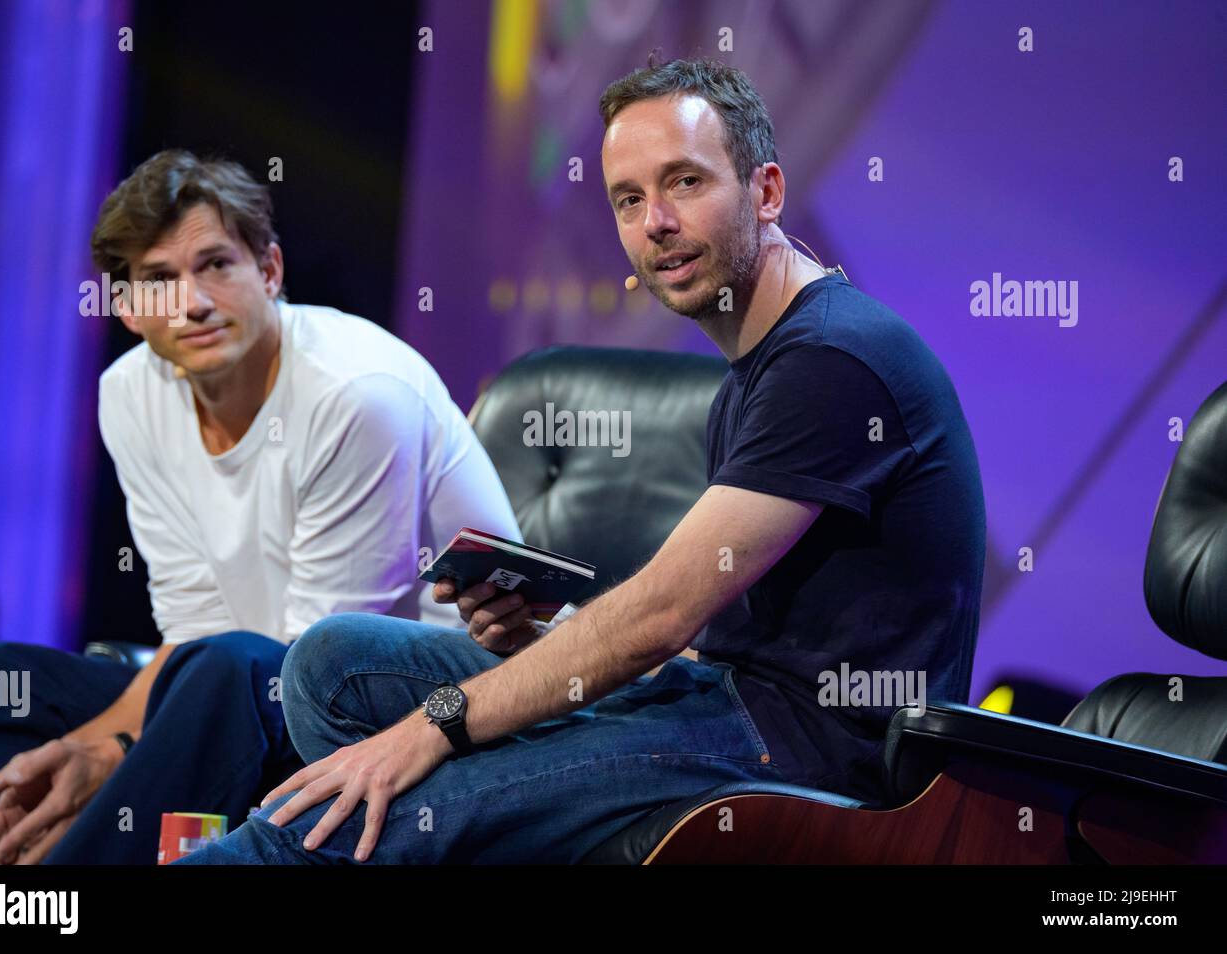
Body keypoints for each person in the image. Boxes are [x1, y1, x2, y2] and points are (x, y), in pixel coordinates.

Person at [179, 57, 986, 865]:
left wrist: (438, 724)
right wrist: (541, 638)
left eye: (685, 183)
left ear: (766, 191)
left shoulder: (833, 361)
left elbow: (659, 619)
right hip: (723, 696)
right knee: (334, 664)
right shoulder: (758, 369)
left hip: (796, 746)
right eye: (629, 200)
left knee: (371, 803)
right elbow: (709, 643)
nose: (655, 222)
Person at [0, 150, 519, 864]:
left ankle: (54, 903)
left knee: (231, 669)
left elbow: (322, 656)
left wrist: (111, 754)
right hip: (237, 679)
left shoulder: (356, 392)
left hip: (420, 692)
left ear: (268, 272)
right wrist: (96, 743)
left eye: (215, 265)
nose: (193, 302)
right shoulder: (130, 394)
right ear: (126, 308)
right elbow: (193, 622)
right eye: (158, 279)